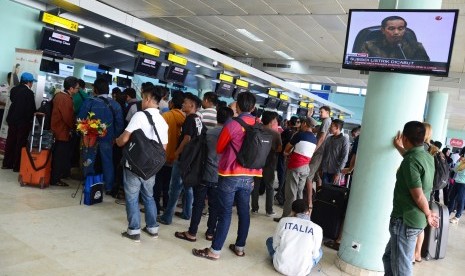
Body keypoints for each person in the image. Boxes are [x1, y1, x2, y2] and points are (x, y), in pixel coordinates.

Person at [192, 92, 261, 260]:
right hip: (250, 176)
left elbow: (220, 148)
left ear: (237, 106)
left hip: (230, 174)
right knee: (244, 212)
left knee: (225, 213)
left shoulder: (232, 125)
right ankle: (239, 247)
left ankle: (214, 251)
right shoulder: (259, 125)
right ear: (253, 107)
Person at [382, 121, 439, 276]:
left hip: (405, 220)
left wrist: (428, 214)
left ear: (406, 139)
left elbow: (418, 194)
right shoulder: (427, 156)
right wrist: (398, 147)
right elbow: (410, 159)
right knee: (388, 258)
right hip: (414, 219)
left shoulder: (410, 161)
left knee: (402, 268)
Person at [115, 84, 168, 242]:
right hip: (151, 167)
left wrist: (116, 141)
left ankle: (134, 231)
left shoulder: (140, 116)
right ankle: (152, 228)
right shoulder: (162, 120)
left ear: (148, 99)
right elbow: (163, 148)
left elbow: (124, 139)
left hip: (135, 164)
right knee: (149, 196)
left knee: (131, 197)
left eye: (143, 97)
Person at [174, 106, 233, 242]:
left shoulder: (208, 134)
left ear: (218, 117)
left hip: (204, 173)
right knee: (214, 206)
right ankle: (210, 233)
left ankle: (192, 232)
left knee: (198, 204)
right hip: (220, 176)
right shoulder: (230, 135)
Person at [159, 93, 206, 224]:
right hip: (192, 159)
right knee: (187, 187)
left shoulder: (190, 119)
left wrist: (176, 152)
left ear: (192, 105)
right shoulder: (198, 120)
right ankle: (187, 213)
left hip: (183, 157)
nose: (183, 104)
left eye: (185, 102)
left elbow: (187, 138)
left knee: (174, 188)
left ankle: (167, 217)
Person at [77, 78, 124, 195]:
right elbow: (120, 124)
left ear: (95, 89)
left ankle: (88, 184)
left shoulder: (89, 102)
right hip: (108, 139)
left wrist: (83, 133)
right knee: (107, 161)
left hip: (90, 138)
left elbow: (80, 119)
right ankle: (108, 187)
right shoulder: (115, 105)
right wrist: (115, 137)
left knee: (88, 160)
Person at [275, 117, 317, 222]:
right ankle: (299, 218)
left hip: (295, 166)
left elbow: (287, 148)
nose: (300, 125)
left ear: (305, 124)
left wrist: (286, 153)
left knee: (290, 194)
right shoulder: (314, 138)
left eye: (301, 123)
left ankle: (286, 218)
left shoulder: (300, 135)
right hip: (305, 168)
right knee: (299, 193)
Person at [266, 199, 323, 276]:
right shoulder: (317, 229)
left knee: (270, 240)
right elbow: (315, 254)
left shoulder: (284, 221)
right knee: (320, 251)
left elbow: (275, 245)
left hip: (280, 266)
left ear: (292, 211)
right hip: (302, 271)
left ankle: (279, 259)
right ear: (308, 212)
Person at [153, 93, 185, 213]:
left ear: (171, 104)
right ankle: (166, 205)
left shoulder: (166, 116)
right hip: (176, 156)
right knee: (169, 184)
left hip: (163, 154)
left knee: (158, 183)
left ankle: (155, 206)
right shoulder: (184, 117)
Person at [2, 72, 37, 172]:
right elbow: (31, 109)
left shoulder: (14, 90)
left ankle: (6, 163)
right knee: (20, 143)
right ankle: (16, 166)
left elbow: (13, 101)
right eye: (32, 82)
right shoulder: (29, 93)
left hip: (12, 119)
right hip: (23, 122)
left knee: (10, 141)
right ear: (29, 82)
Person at [251, 111, 282, 216]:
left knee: (255, 186)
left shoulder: (257, 129)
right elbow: (279, 149)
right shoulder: (276, 134)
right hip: (270, 163)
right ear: (272, 121)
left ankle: (254, 208)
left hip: (256, 162)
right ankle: (269, 210)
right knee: (269, 186)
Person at [50, 76, 80, 186]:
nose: (77, 91)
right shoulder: (65, 99)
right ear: (71, 88)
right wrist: (74, 126)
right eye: (77, 88)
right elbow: (67, 117)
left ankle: (54, 177)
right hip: (62, 132)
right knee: (59, 157)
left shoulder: (58, 96)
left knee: (57, 155)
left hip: (56, 130)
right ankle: (55, 179)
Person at [360, 16, 430, 61]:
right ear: (383, 30)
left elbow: (425, 67)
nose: (396, 32)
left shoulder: (416, 47)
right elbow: (360, 63)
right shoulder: (369, 46)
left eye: (400, 29)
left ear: (405, 30)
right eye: (391, 28)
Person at [306, 106, 332, 190]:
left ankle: (309, 200)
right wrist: (309, 117)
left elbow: (321, 138)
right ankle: (317, 197)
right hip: (321, 150)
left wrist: (313, 150)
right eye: (319, 112)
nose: (320, 113)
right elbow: (314, 129)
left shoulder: (326, 121)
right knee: (317, 175)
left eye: (321, 112)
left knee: (309, 175)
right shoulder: (325, 121)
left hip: (319, 151)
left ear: (327, 112)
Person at [320, 119, 350, 186]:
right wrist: (321, 168)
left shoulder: (344, 140)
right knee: (324, 191)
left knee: (332, 193)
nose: (329, 127)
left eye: (331, 126)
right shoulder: (329, 139)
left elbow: (344, 158)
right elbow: (324, 154)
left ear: (337, 128)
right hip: (325, 171)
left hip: (335, 172)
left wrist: (338, 173)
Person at [448, 156, 465, 224]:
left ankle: (457, 217)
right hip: (456, 182)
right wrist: (459, 162)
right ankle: (448, 213)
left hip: (463, 184)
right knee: (451, 198)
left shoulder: (462, 163)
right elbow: (455, 170)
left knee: (460, 200)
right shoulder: (461, 162)